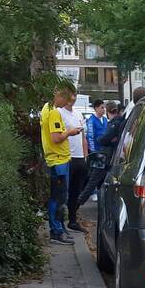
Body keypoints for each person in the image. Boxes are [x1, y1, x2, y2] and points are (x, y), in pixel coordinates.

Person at [77, 87, 145, 207]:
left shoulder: (115, 122)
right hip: (117, 155)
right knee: (100, 182)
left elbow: (104, 138)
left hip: (105, 155)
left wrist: (104, 140)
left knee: (94, 181)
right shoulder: (136, 114)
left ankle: (76, 205)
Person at [41, 85, 82, 245]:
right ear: (61, 96)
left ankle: (58, 229)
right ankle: (57, 232)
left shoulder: (46, 108)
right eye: (67, 99)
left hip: (55, 158)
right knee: (59, 198)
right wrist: (70, 132)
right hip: (59, 160)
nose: (67, 104)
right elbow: (56, 138)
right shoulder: (54, 112)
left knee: (56, 197)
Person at [59, 97, 88, 232]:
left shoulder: (78, 113)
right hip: (67, 157)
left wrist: (85, 154)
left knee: (77, 191)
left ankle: (72, 220)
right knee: (64, 192)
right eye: (68, 96)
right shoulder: (59, 112)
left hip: (79, 157)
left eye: (74, 96)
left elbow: (82, 136)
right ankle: (60, 223)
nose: (71, 99)